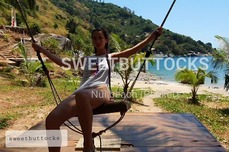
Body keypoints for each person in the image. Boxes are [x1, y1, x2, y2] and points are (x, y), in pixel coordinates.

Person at [32, 27, 162, 152]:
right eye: (94, 38)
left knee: (82, 95)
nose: (97, 41)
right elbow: (62, 63)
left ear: (106, 40)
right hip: (82, 92)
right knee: (51, 121)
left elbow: (133, 50)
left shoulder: (111, 58)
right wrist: (41, 50)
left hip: (101, 90)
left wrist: (152, 37)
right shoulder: (87, 59)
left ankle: (88, 146)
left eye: (100, 38)